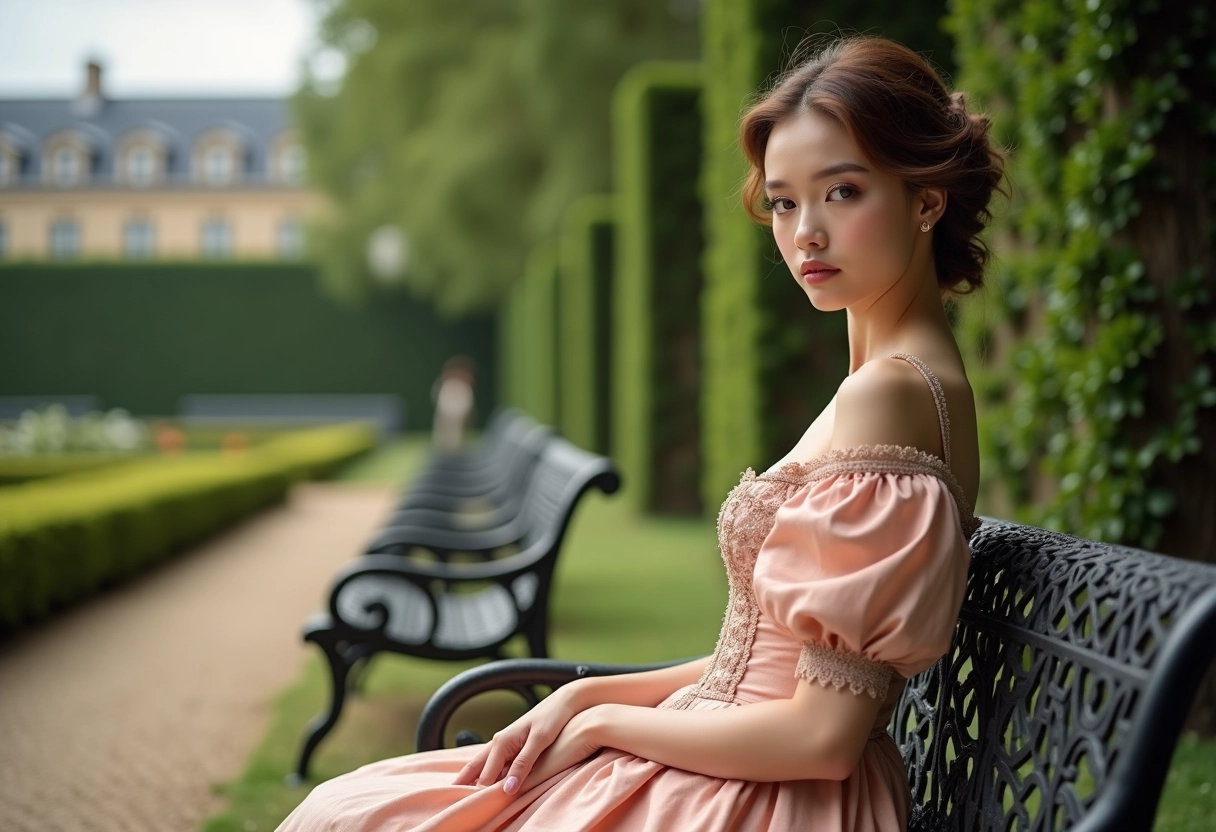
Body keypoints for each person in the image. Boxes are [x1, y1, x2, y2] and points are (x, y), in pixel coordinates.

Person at [278, 34, 1005, 832]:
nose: (805, 235)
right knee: (362, 809)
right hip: (730, 753)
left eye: (842, 193)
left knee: (357, 818)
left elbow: (822, 737)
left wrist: (600, 726)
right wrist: (589, 691)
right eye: (786, 201)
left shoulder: (893, 393)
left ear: (926, 200)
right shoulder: (895, 381)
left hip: (768, 795)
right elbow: (770, 665)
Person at [431, 355, 476, 453]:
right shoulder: (446, 385)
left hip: (457, 419)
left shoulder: (463, 387)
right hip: (446, 419)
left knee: (457, 442)